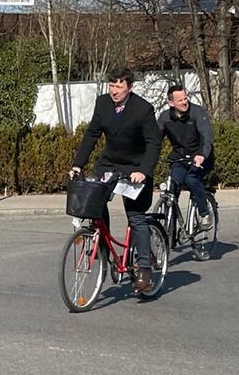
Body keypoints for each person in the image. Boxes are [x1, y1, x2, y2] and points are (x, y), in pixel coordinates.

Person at [70, 67, 161, 293]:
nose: (114, 91)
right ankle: (102, 243)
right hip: (109, 163)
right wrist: (78, 164)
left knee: (136, 217)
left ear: (129, 87)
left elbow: (153, 143)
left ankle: (144, 269)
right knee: (93, 201)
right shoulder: (103, 104)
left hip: (135, 167)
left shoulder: (143, 109)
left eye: (119, 86)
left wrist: (144, 170)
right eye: (111, 86)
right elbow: (92, 134)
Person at [157, 85, 215, 229]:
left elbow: (207, 137)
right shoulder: (165, 117)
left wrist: (202, 155)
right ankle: (170, 229)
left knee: (191, 179)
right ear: (171, 103)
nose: (184, 102)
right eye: (180, 100)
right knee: (173, 186)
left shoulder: (197, 112)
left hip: (201, 157)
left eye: (185, 98)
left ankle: (204, 213)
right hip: (180, 158)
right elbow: (154, 139)